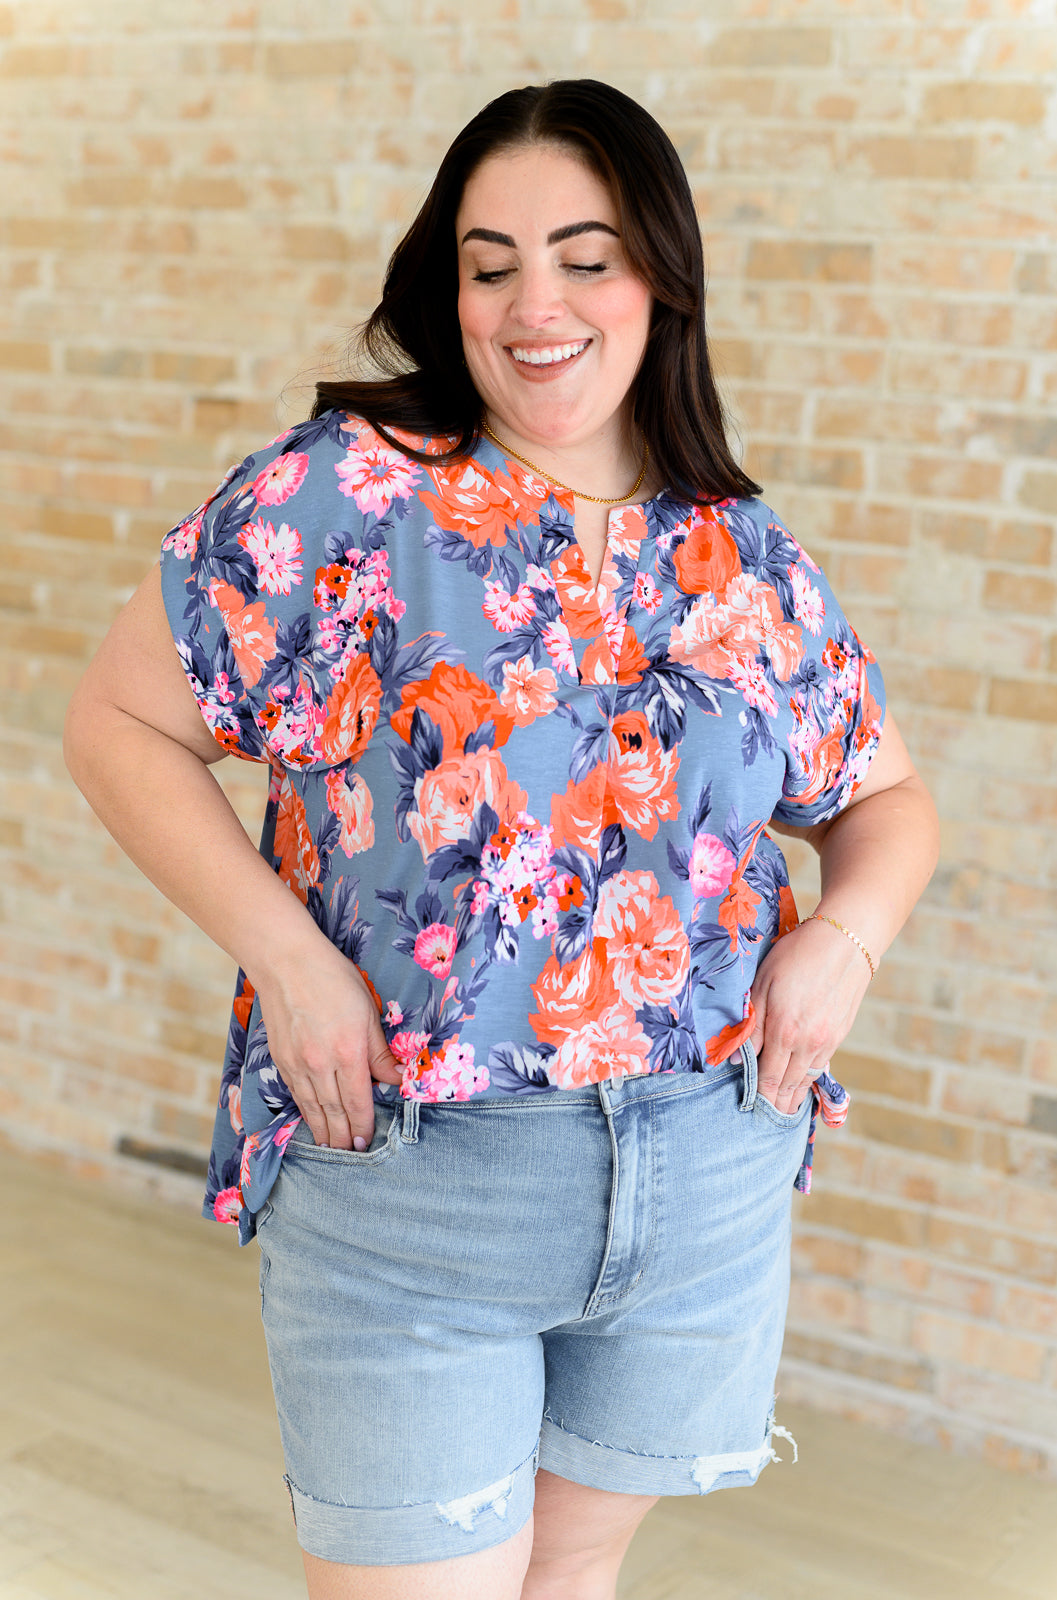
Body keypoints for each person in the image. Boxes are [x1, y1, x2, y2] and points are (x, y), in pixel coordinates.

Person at [64, 78, 939, 1600]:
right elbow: (119, 724)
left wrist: (844, 946)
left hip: (705, 1170)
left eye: (585, 258)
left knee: (573, 1579)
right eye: (493, 265)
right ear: (450, 291)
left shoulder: (737, 548)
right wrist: (288, 959)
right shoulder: (345, 493)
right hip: (416, 1178)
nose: (537, 304)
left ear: (658, 278)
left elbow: (887, 800)